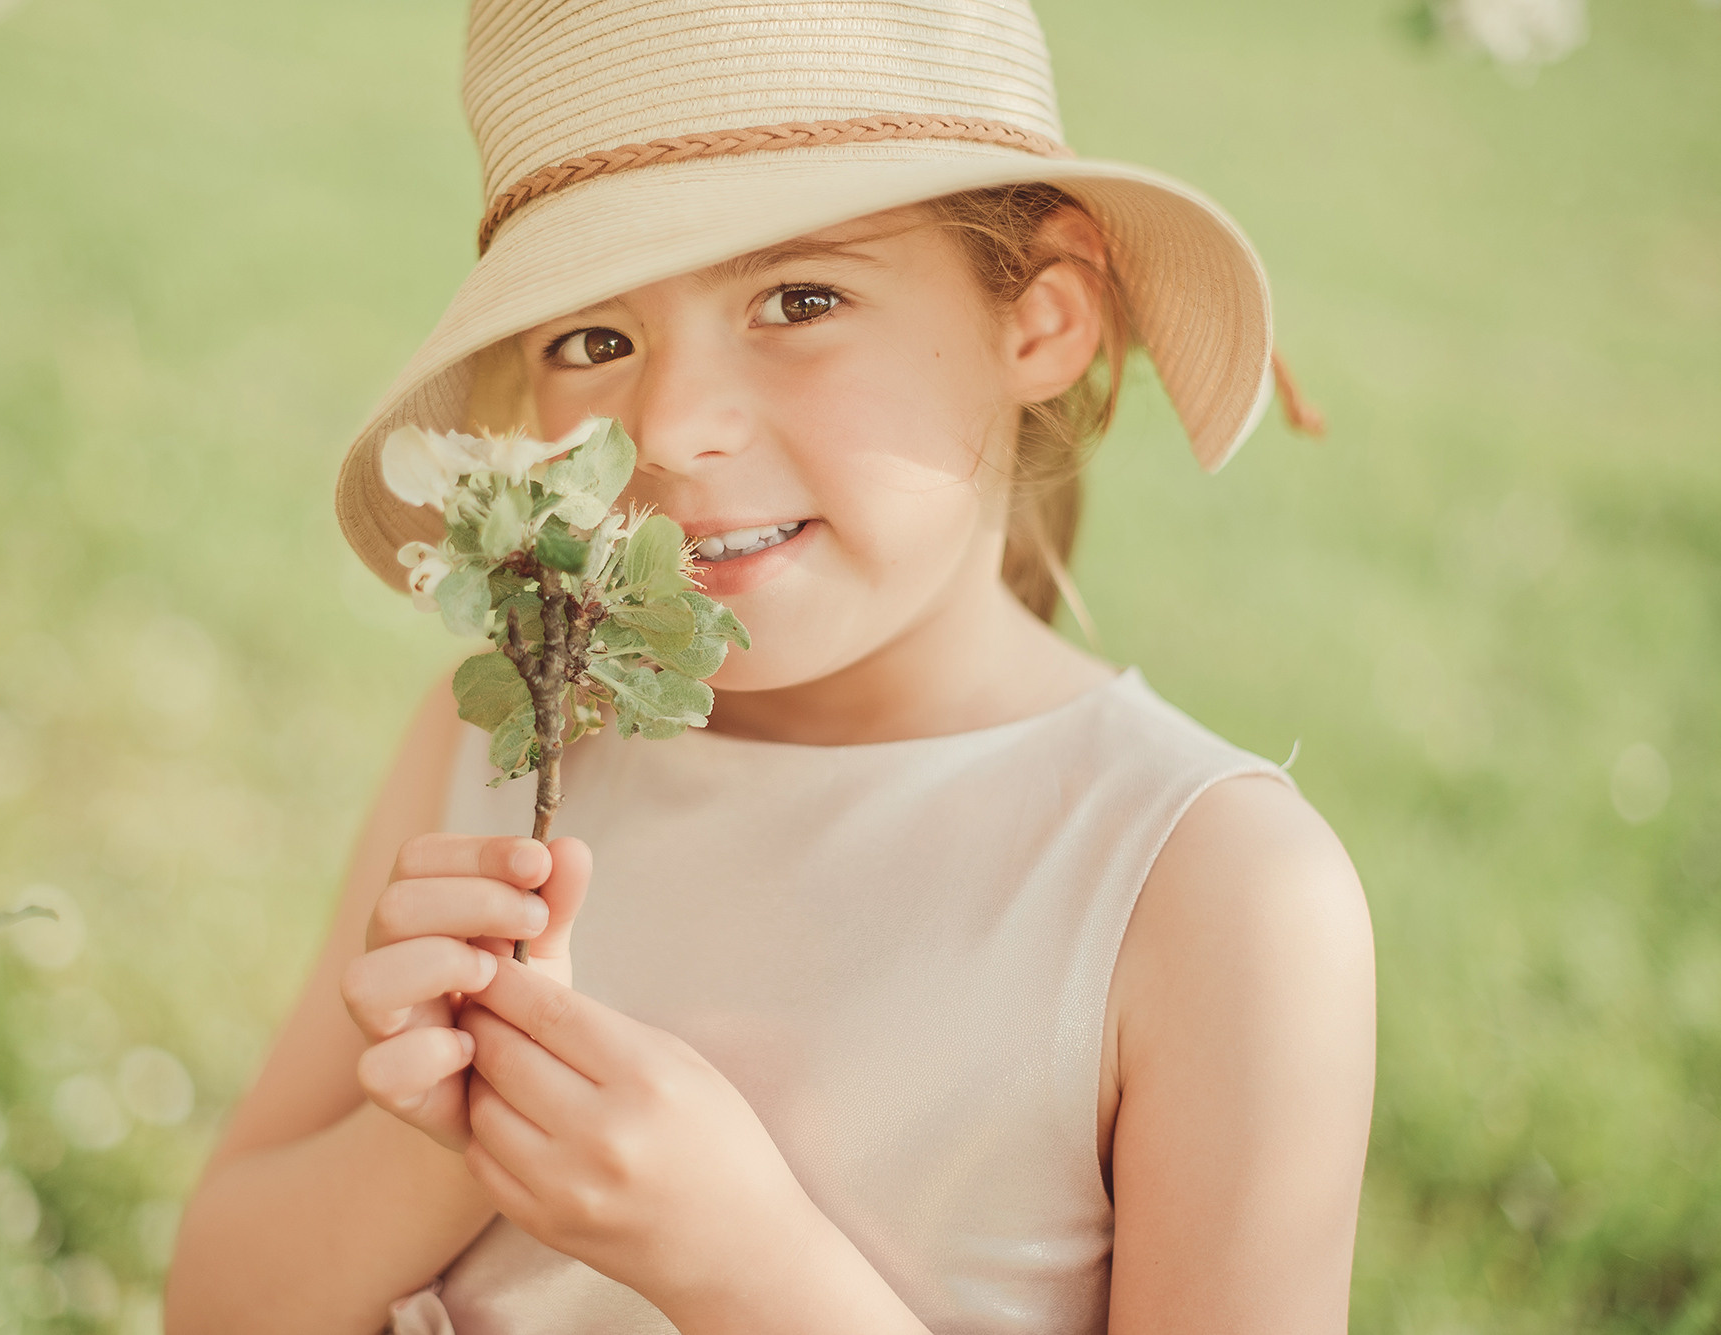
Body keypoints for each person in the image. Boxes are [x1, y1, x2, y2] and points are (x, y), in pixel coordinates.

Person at [168, 2, 1375, 1332]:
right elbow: (217, 1304)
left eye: (800, 299)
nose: (675, 426)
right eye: (592, 338)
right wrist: (445, 1140)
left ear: (1041, 318)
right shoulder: (509, 754)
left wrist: (742, 1268)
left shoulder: (1213, 896)